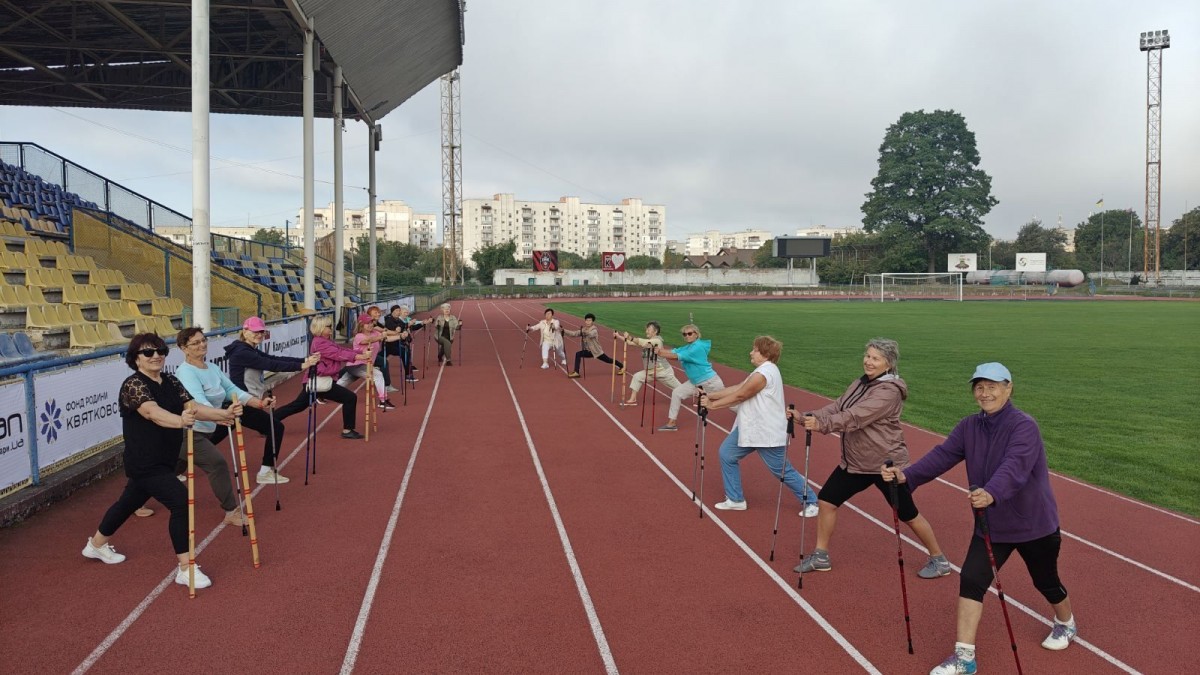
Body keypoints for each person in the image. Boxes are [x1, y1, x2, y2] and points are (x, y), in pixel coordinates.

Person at [883, 363, 1077, 675]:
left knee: (1045, 581)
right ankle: (964, 658)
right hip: (991, 525)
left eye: (992, 386)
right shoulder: (969, 426)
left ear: (1008, 388)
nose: (985, 393)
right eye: (979, 387)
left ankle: (1065, 622)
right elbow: (943, 455)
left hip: (1033, 524)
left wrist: (991, 492)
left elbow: (1015, 466)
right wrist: (908, 476)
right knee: (972, 580)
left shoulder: (1024, 426)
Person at [792, 338, 950, 579]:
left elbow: (855, 416)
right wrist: (805, 417)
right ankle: (821, 556)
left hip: (885, 465)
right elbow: (838, 407)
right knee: (827, 500)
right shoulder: (861, 383)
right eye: (867, 356)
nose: (868, 361)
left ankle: (939, 559)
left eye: (875, 358)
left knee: (908, 514)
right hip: (856, 462)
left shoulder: (889, 392)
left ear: (889, 364)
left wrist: (821, 425)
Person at [82, 333, 224, 590]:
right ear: (136, 359)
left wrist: (222, 414)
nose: (156, 356)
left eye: (160, 351)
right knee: (180, 501)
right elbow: (153, 412)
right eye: (148, 352)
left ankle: (96, 544)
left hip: (165, 458)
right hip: (145, 461)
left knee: (128, 503)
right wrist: (180, 421)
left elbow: (193, 407)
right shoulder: (133, 385)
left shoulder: (171, 380)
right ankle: (186, 568)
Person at [699, 336, 818, 517]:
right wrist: (710, 395)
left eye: (754, 350)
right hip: (750, 428)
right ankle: (735, 499)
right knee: (727, 454)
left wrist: (712, 405)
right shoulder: (761, 371)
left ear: (765, 353)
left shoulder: (764, 374)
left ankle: (811, 502)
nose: (751, 353)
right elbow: (738, 388)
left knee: (781, 470)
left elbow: (741, 395)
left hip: (766, 431)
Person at [173, 327, 270, 527]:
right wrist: (220, 416)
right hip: (187, 432)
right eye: (195, 343)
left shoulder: (212, 368)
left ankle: (137, 492)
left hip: (204, 430)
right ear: (183, 348)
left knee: (166, 468)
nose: (202, 345)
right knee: (216, 464)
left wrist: (258, 403)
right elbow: (197, 404)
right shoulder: (185, 373)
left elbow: (231, 390)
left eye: (203, 340)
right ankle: (231, 510)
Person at [218, 316, 320, 485]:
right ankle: (265, 471)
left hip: (243, 401)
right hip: (242, 402)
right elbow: (271, 364)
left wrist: (304, 360)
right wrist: (301, 365)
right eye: (255, 332)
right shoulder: (242, 352)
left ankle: (177, 464)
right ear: (245, 331)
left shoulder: (249, 349)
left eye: (261, 332)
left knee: (211, 438)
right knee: (276, 428)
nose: (259, 335)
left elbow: (273, 358)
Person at [306, 314, 369, 439]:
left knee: (296, 406)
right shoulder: (319, 343)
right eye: (328, 326)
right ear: (320, 328)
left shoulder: (326, 340)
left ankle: (274, 420)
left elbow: (341, 349)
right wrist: (359, 356)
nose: (331, 328)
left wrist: (360, 352)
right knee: (350, 397)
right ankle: (347, 430)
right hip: (318, 380)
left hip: (324, 378)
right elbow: (338, 354)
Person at [654, 324, 725, 431]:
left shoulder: (697, 347)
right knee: (677, 393)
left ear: (696, 334)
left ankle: (746, 413)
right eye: (684, 334)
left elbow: (676, 356)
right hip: (695, 382)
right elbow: (674, 351)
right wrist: (658, 350)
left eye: (690, 333)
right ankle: (671, 423)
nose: (687, 336)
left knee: (728, 400)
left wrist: (660, 353)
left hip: (709, 381)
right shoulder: (688, 346)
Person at [338, 314, 396, 410]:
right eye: (367, 323)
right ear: (361, 325)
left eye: (371, 323)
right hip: (356, 365)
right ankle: (383, 400)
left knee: (343, 382)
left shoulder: (375, 333)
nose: (370, 325)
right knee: (378, 375)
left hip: (364, 365)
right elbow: (368, 340)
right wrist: (381, 336)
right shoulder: (359, 336)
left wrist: (400, 336)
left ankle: (323, 393)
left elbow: (387, 338)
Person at [616, 321, 680, 406]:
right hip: (650, 372)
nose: (646, 331)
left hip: (663, 372)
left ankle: (697, 393)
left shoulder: (657, 341)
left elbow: (643, 342)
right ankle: (632, 399)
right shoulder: (649, 341)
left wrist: (630, 337)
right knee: (637, 377)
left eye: (649, 329)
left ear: (655, 331)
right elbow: (630, 343)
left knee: (681, 390)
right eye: (646, 329)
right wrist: (618, 336)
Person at [563, 313, 624, 378]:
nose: (588, 322)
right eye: (587, 320)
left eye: (590, 320)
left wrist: (584, 332)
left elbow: (591, 334)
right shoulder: (584, 329)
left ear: (592, 321)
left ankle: (622, 366)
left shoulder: (594, 329)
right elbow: (574, 333)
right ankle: (576, 372)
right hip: (588, 351)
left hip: (596, 351)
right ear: (585, 321)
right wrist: (564, 331)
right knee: (578, 354)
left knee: (608, 360)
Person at [385, 305, 422, 383]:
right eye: (396, 311)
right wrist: (403, 328)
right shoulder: (389, 320)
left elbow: (404, 326)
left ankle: (408, 374)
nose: (398, 312)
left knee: (406, 351)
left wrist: (420, 324)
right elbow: (395, 329)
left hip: (397, 343)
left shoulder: (399, 320)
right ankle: (408, 374)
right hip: (389, 344)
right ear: (392, 312)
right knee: (404, 352)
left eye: (399, 311)